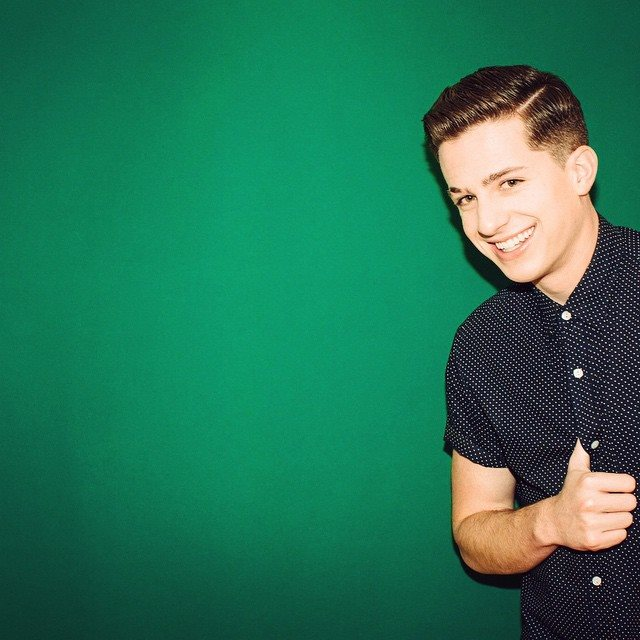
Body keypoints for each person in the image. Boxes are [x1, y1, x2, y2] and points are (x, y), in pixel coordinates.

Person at [423, 65, 640, 639]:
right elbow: (474, 536)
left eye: (509, 183)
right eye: (466, 198)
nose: (487, 222)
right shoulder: (481, 345)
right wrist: (550, 521)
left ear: (579, 170)